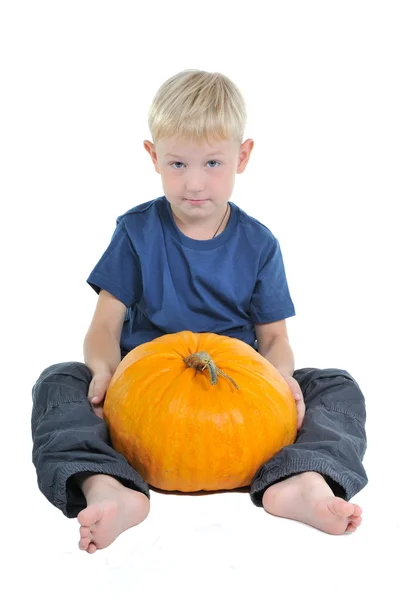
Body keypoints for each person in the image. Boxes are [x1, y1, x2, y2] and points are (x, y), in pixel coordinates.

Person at [31, 69, 367, 554]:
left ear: (242, 157)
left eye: (212, 163)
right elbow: (104, 325)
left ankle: (303, 479)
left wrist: (281, 382)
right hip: (142, 404)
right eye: (177, 164)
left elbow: (274, 339)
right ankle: (106, 484)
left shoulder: (259, 243)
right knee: (58, 381)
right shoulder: (137, 232)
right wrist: (104, 372)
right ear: (153, 158)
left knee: (335, 385)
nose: (193, 183)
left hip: (239, 405)